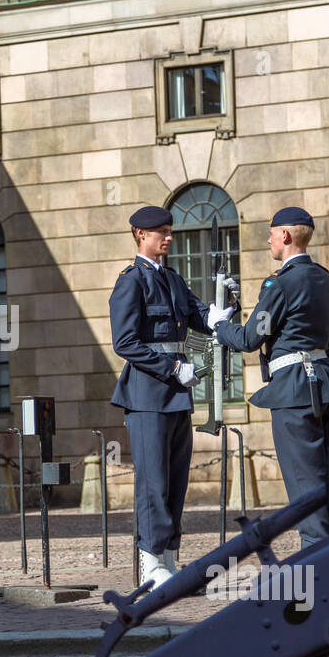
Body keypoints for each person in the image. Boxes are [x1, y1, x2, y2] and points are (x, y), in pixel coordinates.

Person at [209, 206, 329, 548]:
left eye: (271, 233)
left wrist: (219, 325)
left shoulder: (281, 284)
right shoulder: (327, 281)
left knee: (305, 487)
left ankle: (319, 574)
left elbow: (249, 339)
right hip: (328, 387)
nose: (268, 239)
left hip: (293, 394)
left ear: (284, 236)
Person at [109, 205, 224, 589]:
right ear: (140, 235)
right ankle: (150, 561)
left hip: (177, 395)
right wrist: (173, 369)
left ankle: (169, 558)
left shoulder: (172, 279)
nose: (169, 237)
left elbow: (196, 315)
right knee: (153, 483)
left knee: (176, 481)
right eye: (161, 232)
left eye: (169, 231)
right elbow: (125, 343)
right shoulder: (132, 282)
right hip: (147, 395)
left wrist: (219, 313)